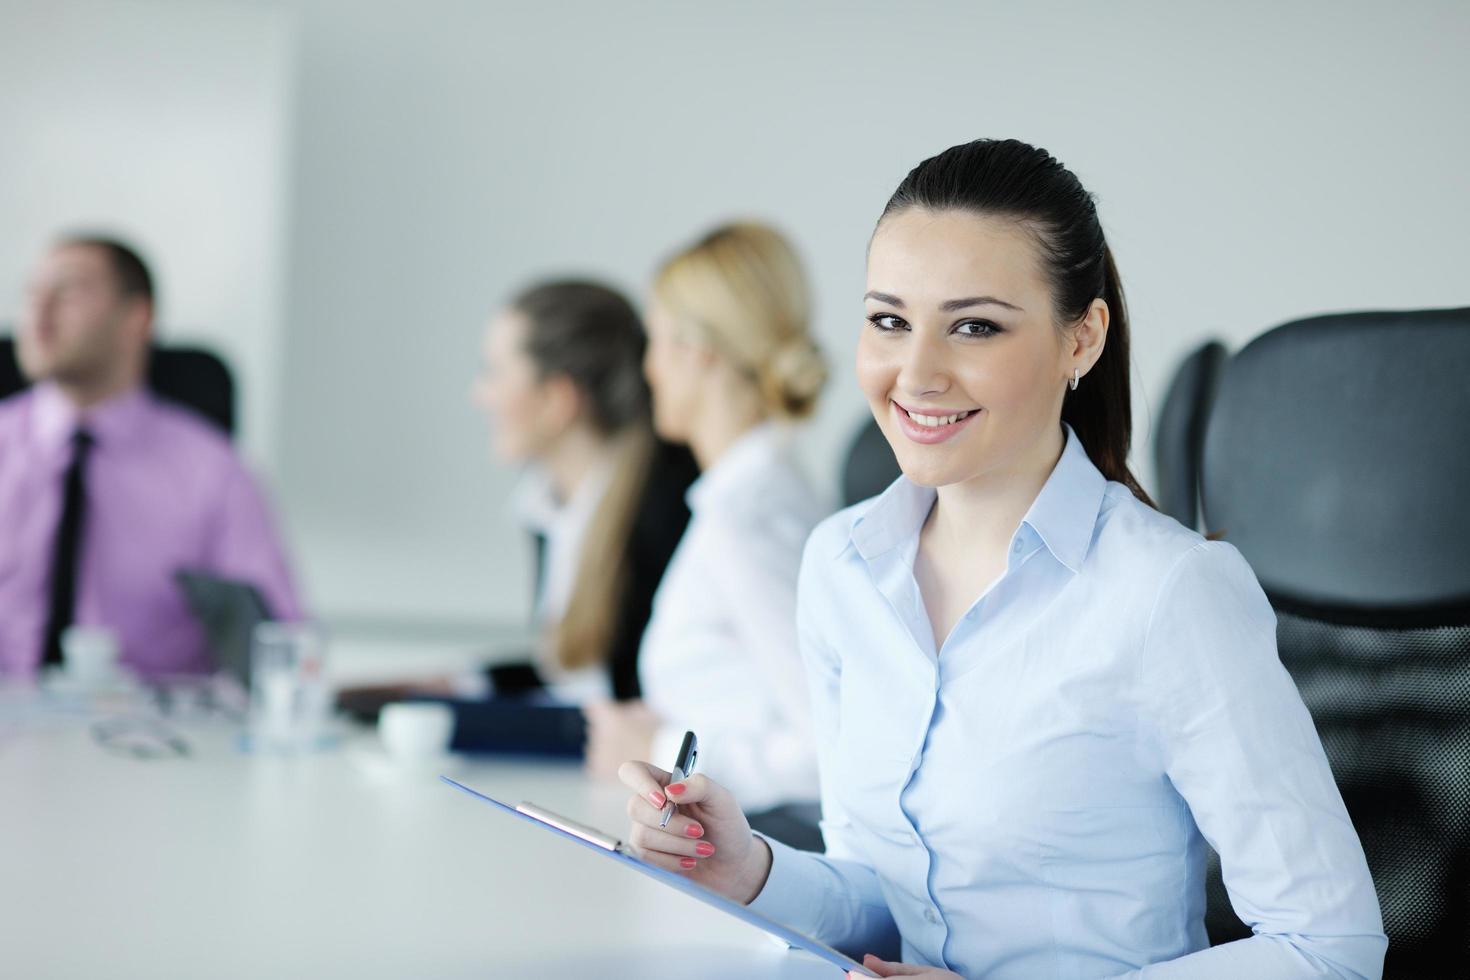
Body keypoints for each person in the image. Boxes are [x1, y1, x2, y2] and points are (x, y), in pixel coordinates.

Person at [615, 140, 1387, 979]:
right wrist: (753, 870)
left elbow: (1329, 950)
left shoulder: (1168, 592)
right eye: (889, 321)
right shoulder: (840, 567)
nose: (916, 374)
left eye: (974, 326)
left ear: (1082, 339)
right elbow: (889, 901)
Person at [585, 222, 830, 826]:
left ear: (697, 352)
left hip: (759, 855)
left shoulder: (746, 518)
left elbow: (830, 751)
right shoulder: (750, 495)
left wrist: (657, 751)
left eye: (656, 341)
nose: (648, 368)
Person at [0, 234, 300, 677]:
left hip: (144, 729)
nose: (38, 315)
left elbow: (279, 645)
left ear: (135, 318)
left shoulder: (213, 471)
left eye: (69, 293)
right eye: (31, 295)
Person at [468, 279, 697, 707]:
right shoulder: (545, 506)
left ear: (558, 400)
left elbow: (638, 695)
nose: (480, 394)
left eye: (494, 373)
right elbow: (574, 681)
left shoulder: (670, 505)